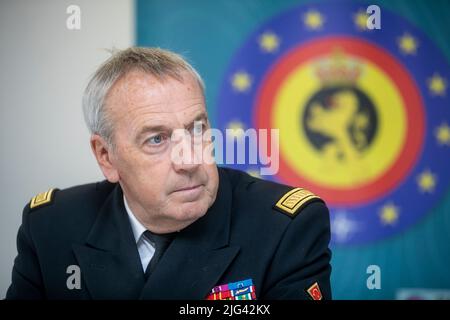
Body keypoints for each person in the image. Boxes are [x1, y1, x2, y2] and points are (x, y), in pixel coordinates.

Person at [6, 47, 332, 300]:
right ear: (106, 157)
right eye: (157, 139)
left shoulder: (284, 228)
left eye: (197, 129)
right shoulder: (51, 226)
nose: (189, 159)